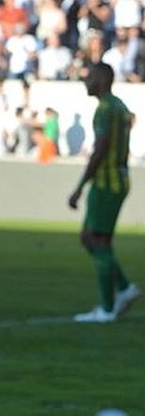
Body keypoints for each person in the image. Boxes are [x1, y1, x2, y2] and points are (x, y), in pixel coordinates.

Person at [68, 63, 141, 323]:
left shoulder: (104, 109)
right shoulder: (120, 106)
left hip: (106, 183)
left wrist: (79, 187)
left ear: (102, 79)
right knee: (97, 240)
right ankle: (123, 288)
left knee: (93, 239)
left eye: (90, 77)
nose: (86, 81)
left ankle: (108, 308)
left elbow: (100, 149)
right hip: (119, 180)